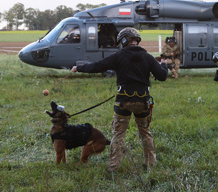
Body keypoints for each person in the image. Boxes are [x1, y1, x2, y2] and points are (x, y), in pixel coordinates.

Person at [71, 27, 168, 172]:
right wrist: (164, 65)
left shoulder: (118, 56)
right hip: (143, 101)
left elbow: (97, 66)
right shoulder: (148, 57)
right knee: (145, 133)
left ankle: (113, 167)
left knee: (118, 134)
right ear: (136, 40)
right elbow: (162, 76)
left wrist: (79, 67)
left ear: (124, 40)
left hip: (123, 101)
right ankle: (151, 164)